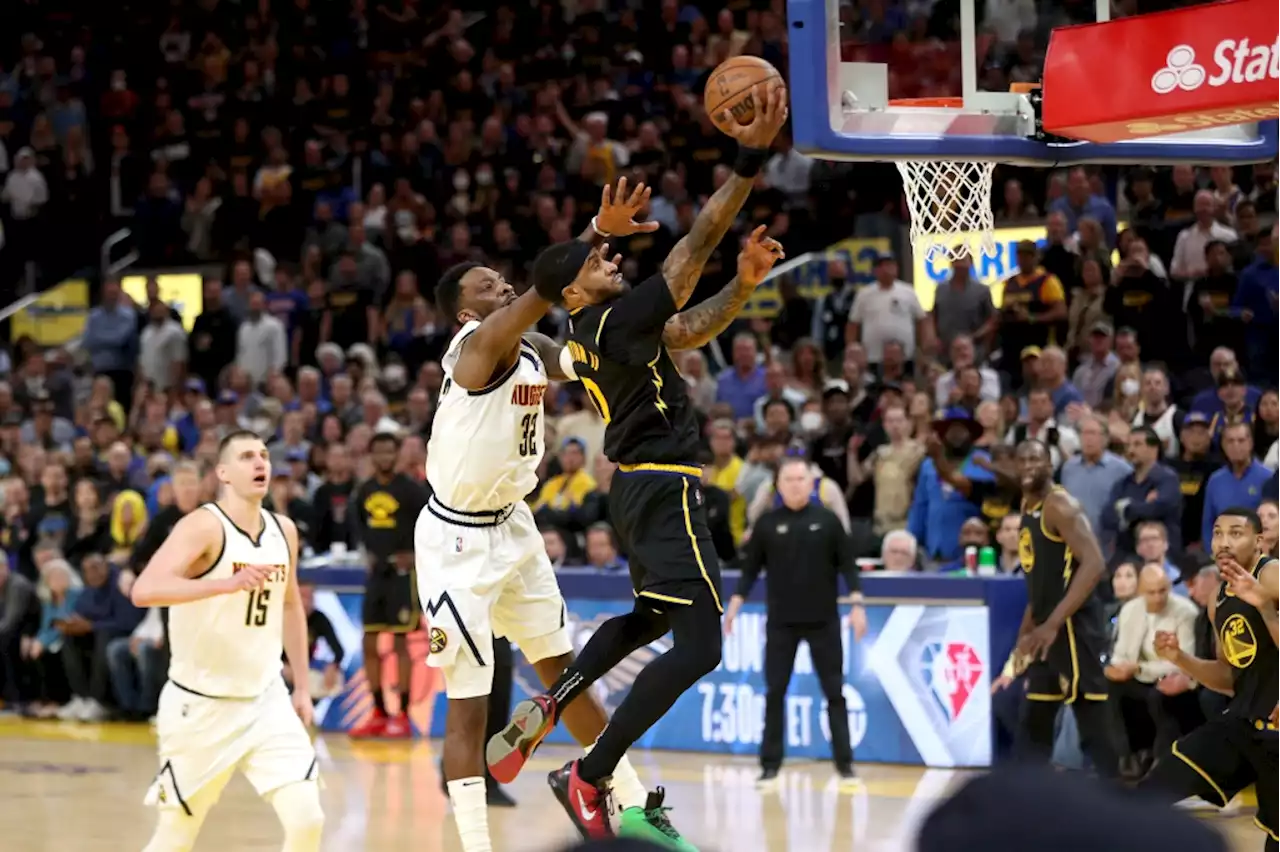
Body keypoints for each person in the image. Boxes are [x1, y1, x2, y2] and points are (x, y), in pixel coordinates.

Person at [485, 87, 788, 842]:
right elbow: (691, 252)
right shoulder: (613, 316)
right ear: (572, 288)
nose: (611, 258)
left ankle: (562, 697)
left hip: (637, 490)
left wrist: (744, 287)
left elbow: (684, 327)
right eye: (597, 258)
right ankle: (589, 773)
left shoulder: (592, 335)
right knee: (703, 645)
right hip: (664, 486)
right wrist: (750, 160)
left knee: (651, 616)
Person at [419, 178, 695, 852]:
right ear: (463, 312)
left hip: (514, 526)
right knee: (471, 704)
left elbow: (584, 340)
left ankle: (628, 805)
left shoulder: (533, 350)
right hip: (455, 541)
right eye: (486, 286)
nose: (502, 288)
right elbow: (547, 282)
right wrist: (596, 236)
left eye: (501, 281)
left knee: (565, 674)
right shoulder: (474, 349)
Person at [129, 430, 323, 852]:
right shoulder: (203, 525)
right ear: (223, 473)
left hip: (265, 699)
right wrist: (223, 585)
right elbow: (144, 590)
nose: (260, 464)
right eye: (247, 456)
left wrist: (303, 688)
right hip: (200, 706)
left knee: (308, 820)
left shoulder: (283, 530)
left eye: (265, 456)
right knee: (176, 837)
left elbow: (290, 606)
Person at [1138, 507, 1280, 850]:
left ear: (1259, 542)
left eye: (1236, 533)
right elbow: (1230, 676)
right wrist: (1181, 659)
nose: (1224, 542)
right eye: (1218, 533)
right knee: (1152, 789)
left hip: (1277, 731)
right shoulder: (1219, 598)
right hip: (1243, 722)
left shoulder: (1273, 574)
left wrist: (1264, 606)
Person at [725, 456, 867, 786]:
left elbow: (848, 565)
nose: (795, 484)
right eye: (788, 479)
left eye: (801, 479)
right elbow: (750, 571)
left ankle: (845, 766)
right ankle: (770, 766)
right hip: (781, 623)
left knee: (835, 692)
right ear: (779, 484)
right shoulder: (767, 524)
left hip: (824, 622)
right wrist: (734, 605)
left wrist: (858, 604)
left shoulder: (828, 521)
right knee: (774, 693)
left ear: (811, 483)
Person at [1012, 439, 1120, 777]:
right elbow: (1039, 579)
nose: (1030, 465)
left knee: (1091, 711)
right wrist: (1025, 633)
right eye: (1023, 459)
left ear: (1051, 465)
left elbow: (1094, 563)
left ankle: (1117, 795)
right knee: (1037, 713)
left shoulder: (1059, 505)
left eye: (1037, 459)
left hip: (1074, 625)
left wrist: (1054, 622)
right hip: (1048, 626)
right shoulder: (1027, 505)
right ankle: (1029, 792)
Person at [347, 431, 428, 739]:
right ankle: (379, 712)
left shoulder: (412, 490)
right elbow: (358, 529)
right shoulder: (363, 491)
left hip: (402, 575)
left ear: (397, 455)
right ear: (371, 455)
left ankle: (404, 716)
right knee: (369, 642)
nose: (383, 457)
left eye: (388, 452)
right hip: (376, 575)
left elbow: (430, 526)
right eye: (378, 452)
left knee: (400, 643)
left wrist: (415, 554)